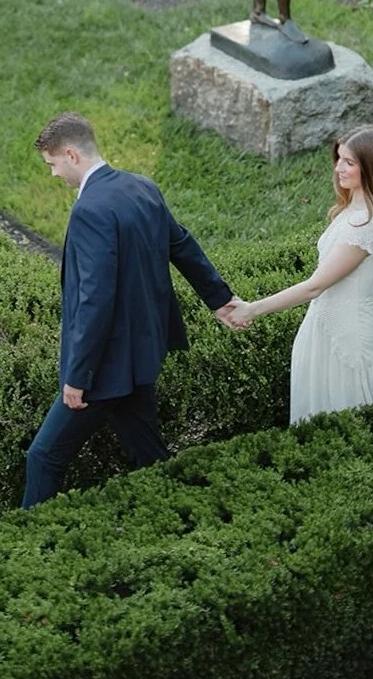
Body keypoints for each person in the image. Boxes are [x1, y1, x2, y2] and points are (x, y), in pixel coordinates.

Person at [23, 111, 245, 508]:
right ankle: (189, 513)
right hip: (142, 354)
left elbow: (94, 298)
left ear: (71, 155)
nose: (54, 175)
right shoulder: (143, 187)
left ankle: (24, 542)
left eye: (53, 164)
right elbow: (183, 246)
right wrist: (219, 299)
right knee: (148, 454)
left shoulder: (90, 210)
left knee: (44, 456)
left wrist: (77, 376)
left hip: (105, 367)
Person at [226, 124, 373, 424]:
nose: (338, 168)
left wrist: (252, 309)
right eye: (339, 158)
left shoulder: (364, 227)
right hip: (327, 330)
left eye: (349, 162)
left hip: (346, 341)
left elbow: (314, 287)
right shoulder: (355, 212)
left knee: (348, 426)